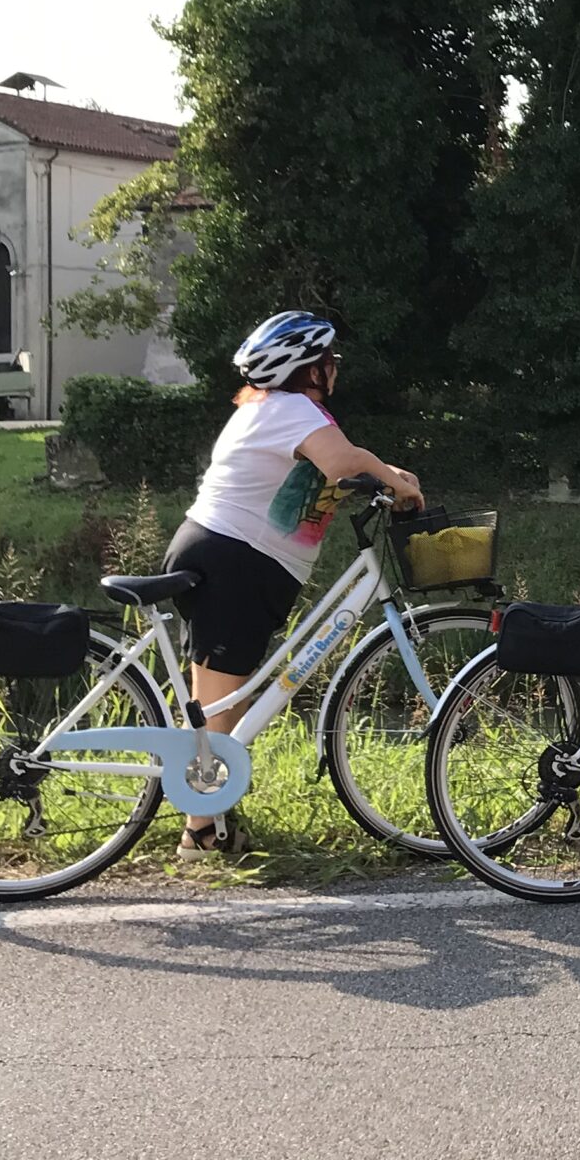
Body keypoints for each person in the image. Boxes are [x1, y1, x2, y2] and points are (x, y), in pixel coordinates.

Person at [167, 312, 423, 861]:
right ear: (309, 367)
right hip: (236, 557)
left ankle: (205, 823)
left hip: (223, 549)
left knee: (217, 699)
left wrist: (388, 476)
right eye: (329, 360)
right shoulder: (291, 408)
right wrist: (395, 482)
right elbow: (342, 462)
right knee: (220, 703)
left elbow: (327, 472)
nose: (335, 369)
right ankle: (198, 830)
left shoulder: (268, 409)